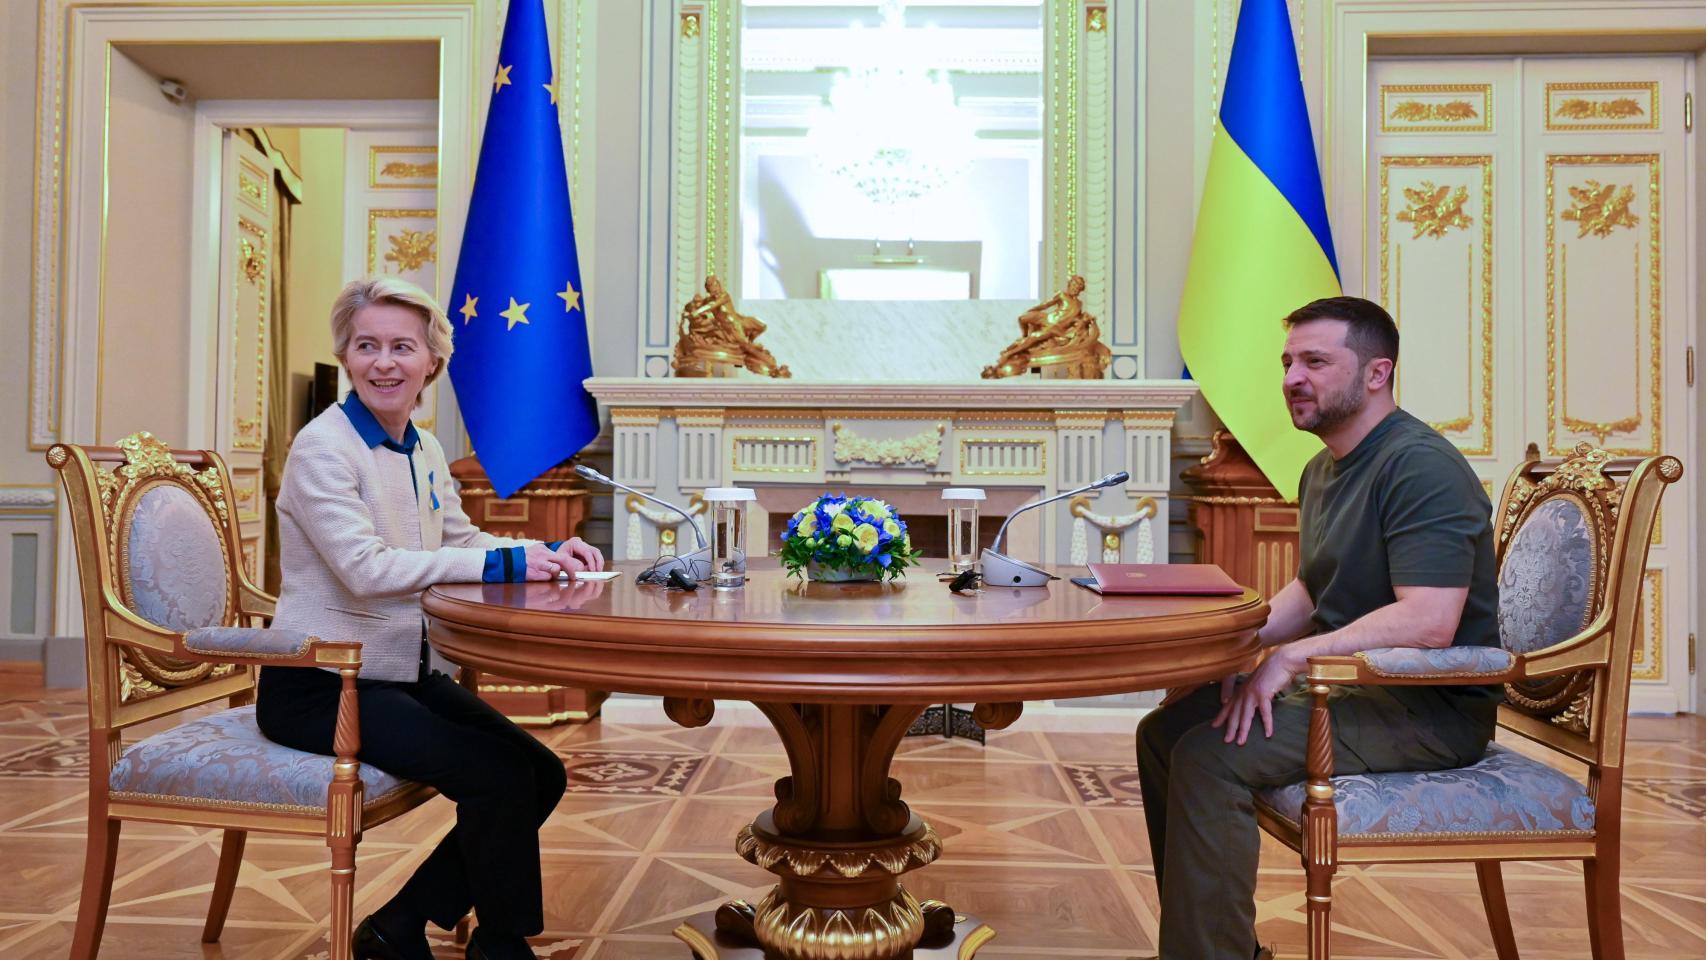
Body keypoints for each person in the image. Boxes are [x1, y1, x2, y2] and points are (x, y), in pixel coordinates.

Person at [1135, 296, 1501, 960]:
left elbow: (1429, 620)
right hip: (1353, 688)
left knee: (1209, 756)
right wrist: (1228, 648)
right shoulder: (1322, 469)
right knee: (1166, 732)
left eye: (1314, 361)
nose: (1291, 378)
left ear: (1375, 373)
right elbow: (1312, 588)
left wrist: (1291, 659)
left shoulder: (1420, 467)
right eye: (1286, 363)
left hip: (1427, 706)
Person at [257, 276, 603, 960]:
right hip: (322, 684)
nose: (384, 361)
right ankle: (501, 946)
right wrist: (506, 569)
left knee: (542, 772)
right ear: (348, 359)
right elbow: (368, 569)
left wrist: (542, 550)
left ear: (431, 364)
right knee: (499, 775)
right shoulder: (323, 448)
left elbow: (458, 540)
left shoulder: (422, 444)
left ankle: (401, 922)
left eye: (401, 347)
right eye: (366, 346)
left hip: (399, 673)